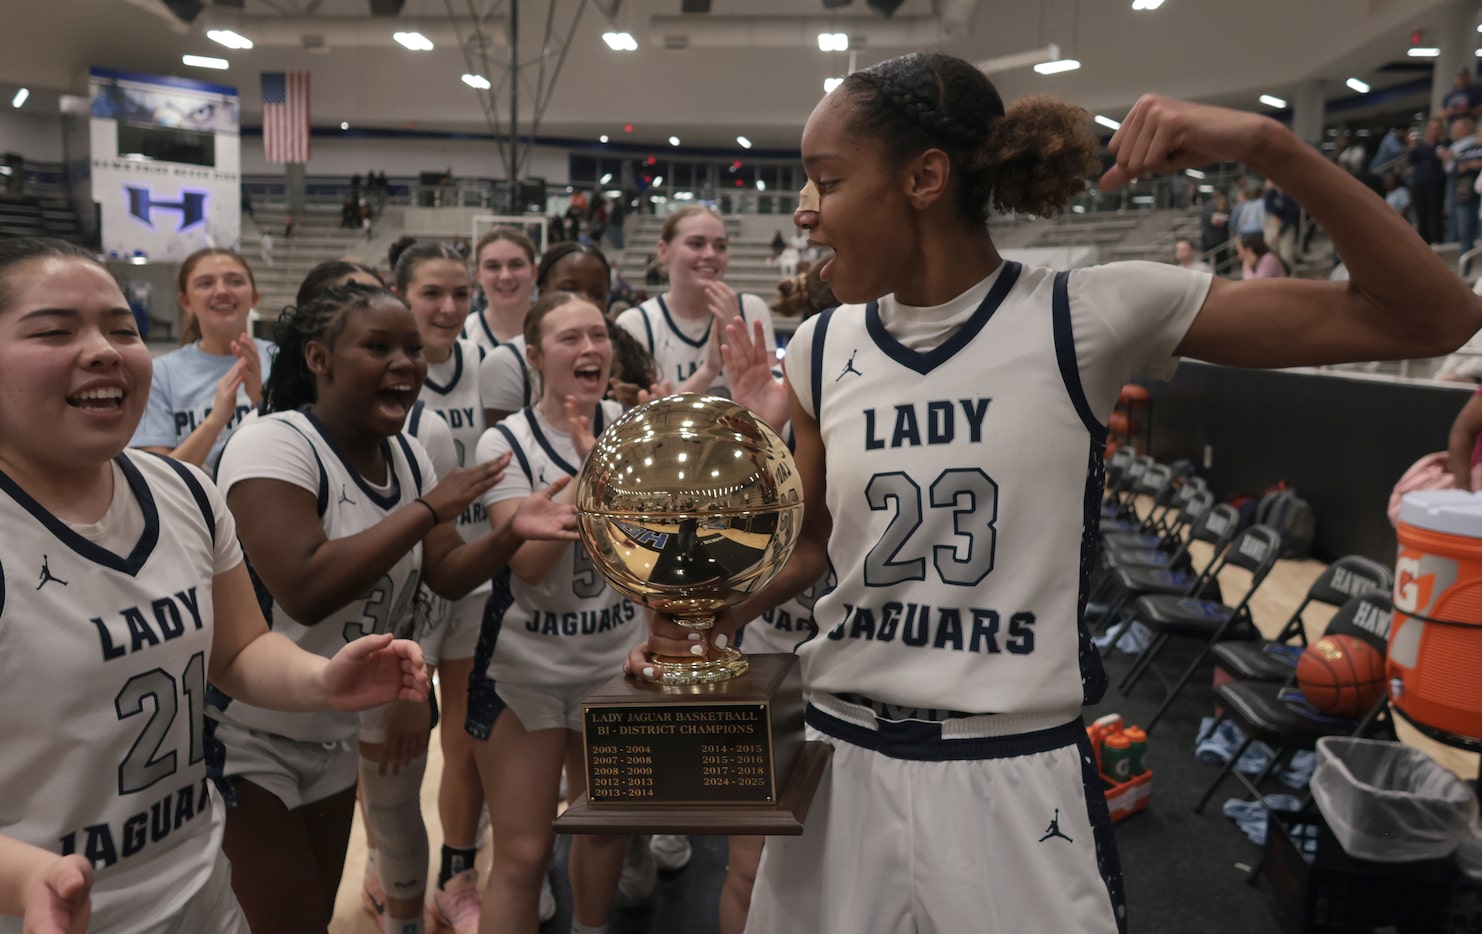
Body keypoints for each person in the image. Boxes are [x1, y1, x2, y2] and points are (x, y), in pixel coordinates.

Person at [626, 51, 1482, 934]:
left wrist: (1269, 145)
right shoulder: (823, 343)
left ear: (925, 177)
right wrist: (714, 612)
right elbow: (813, 544)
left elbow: (1434, 318)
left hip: (1014, 766)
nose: (804, 212)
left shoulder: (1088, 314)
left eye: (827, 181)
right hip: (846, 755)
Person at [0, 237, 431, 934]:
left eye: (122, 329)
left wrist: (323, 679)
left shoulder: (184, 490)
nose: (105, 350)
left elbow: (239, 653)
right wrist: (28, 878)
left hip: (201, 893)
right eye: (54, 331)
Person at [212, 282, 577, 934]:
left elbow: (447, 573)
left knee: (318, 911)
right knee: (287, 918)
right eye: (378, 347)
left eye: (412, 349)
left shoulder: (407, 454)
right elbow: (306, 585)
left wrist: (510, 533)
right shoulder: (274, 443)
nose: (406, 363)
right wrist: (432, 507)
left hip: (331, 729)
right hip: (245, 732)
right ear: (320, 358)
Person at [470, 290, 637, 934]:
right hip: (523, 670)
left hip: (613, 664)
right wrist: (591, 466)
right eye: (571, 339)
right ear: (536, 356)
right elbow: (528, 562)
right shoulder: (503, 440)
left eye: (598, 334)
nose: (591, 348)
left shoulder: (634, 426)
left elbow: (657, 552)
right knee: (524, 853)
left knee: (603, 833)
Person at [131, 248, 273, 477]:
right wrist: (215, 420)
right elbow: (156, 479)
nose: (222, 291)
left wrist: (261, 402)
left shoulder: (281, 358)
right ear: (186, 302)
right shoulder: (161, 374)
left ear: (254, 297)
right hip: (194, 510)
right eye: (206, 284)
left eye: (235, 281)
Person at [615, 205, 779, 399]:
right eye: (696, 244)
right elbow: (646, 422)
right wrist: (708, 371)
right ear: (663, 251)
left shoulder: (750, 310)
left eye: (720, 246)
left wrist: (738, 351)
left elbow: (773, 409)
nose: (710, 254)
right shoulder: (636, 323)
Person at [481, 242, 654, 425]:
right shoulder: (507, 362)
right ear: (542, 292)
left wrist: (634, 416)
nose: (583, 301)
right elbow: (505, 447)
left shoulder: (622, 353)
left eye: (597, 294)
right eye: (569, 290)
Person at [464, 228, 536, 356]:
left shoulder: (558, 331)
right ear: (478, 275)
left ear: (534, 272)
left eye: (516, 265)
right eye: (493, 266)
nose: (505, 276)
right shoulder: (462, 334)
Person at [1410, 117, 1447, 245]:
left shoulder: (1443, 144)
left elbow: (1441, 159)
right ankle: (1424, 242)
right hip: (1419, 183)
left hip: (1435, 183)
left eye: (1436, 129)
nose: (1434, 131)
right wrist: (1413, 148)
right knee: (1421, 214)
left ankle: (1437, 240)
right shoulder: (1420, 146)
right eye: (1431, 129)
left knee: (1434, 213)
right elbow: (1412, 159)